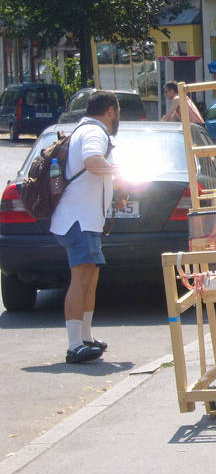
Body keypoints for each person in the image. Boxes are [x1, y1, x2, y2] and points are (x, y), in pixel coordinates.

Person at [50, 91, 124, 364]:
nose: (117, 119)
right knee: (81, 280)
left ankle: (85, 338)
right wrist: (120, 173)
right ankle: (74, 346)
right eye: (117, 113)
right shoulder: (95, 132)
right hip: (79, 220)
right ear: (110, 111)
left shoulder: (84, 129)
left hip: (83, 220)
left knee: (89, 279)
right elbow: (93, 162)